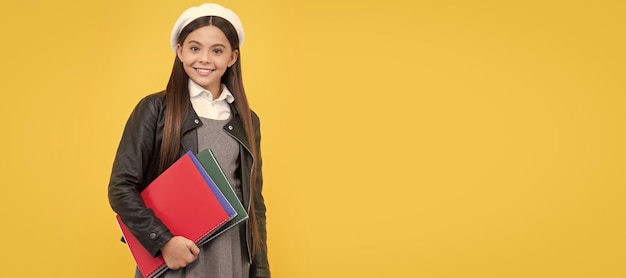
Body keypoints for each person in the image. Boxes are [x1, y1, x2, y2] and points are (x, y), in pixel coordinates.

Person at [108, 3, 270, 278]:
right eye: (195, 48)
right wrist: (162, 241)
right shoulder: (155, 109)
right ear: (180, 51)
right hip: (177, 258)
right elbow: (121, 187)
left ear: (232, 57)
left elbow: (254, 203)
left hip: (232, 261)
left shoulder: (248, 120)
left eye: (216, 50)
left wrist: (261, 270)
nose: (204, 59)